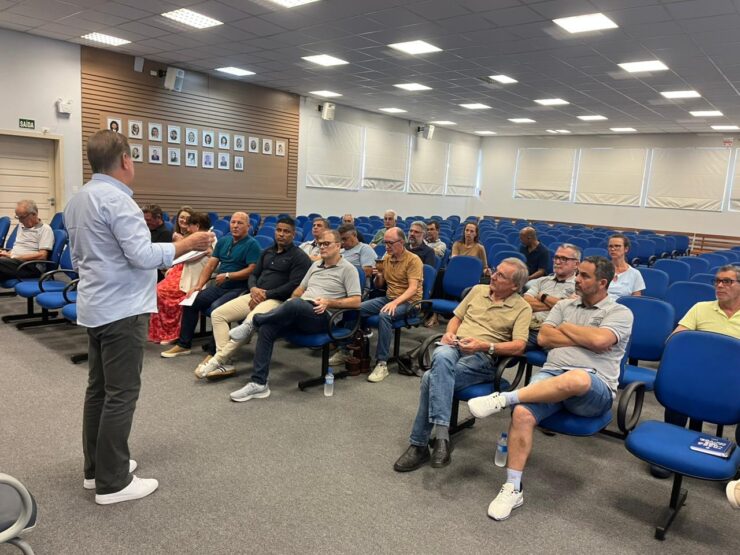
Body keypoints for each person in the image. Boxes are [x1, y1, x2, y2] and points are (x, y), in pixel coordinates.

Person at [64, 130, 213, 505]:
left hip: (96, 305)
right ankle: (113, 482)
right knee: (121, 394)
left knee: (99, 391)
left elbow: (85, 259)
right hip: (123, 309)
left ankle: (96, 469)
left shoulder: (78, 200)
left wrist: (179, 252)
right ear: (126, 161)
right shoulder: (119, 201)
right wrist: (187, 244)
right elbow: (142, 257)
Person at [466, 256, 633, 521]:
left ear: (603, 282)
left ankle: (504, 398)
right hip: (552, 374)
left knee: (578, 378)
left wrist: (565, 328)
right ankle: (513, 487)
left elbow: (601, 341)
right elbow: (544, 338)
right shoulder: (564, 305)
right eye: (578, 273)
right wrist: (584, 337)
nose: (577, 279)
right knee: (522, 413)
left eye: (584, 276)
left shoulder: (620, 312)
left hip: (595, 387)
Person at [393, 258, 531, 472]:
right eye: (495, 271)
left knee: (430, 378)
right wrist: (449, 333)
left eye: (501, 275)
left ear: (515, 286)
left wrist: (484, 346)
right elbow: (456, 319)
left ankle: (420, 444)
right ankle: (441, 438)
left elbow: (519, 346)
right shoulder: (478, 290)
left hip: (483, 357)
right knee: (442, 353)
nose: (493, 276)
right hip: (455, 346)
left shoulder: (522, 308)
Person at [228, 229, 361, 402]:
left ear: (338, 245)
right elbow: (299, 290)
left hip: (322, 317)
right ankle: (259, 384)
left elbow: (356, 301)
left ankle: (253, 322)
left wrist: (329, 302)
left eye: (326, 244)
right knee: (268, 327)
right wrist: (291, 301)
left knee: (295, 304)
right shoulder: (315, 265)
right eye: (320, 244)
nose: (322, 247)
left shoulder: (348, 269)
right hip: (299, 311)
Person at [650, 264, 740, 479]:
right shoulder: (701, 308)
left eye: (727, 281)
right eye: (717, 281)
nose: (719, 285)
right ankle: (670, 448)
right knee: (679, 384)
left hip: (734, 380)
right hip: (698, 373)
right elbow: (674, 340)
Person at [195, 218, 311, 379]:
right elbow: (254, 274)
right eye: (279, 230)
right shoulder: (267, 252)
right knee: (218, 314)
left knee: (249, 323)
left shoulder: (299, 257)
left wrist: (266, 294)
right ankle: (226, 362)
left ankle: (217, 360)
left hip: (276, 300)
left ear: (293, 234)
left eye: (286, 231)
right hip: (254, 295)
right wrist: (254, 289)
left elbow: (293, 285)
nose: (281, 234)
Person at [161, 212, 261, 358]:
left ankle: (214, 352)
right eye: (233, 222)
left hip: (239, 288)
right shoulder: (224, 241)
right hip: (221, 286)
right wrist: (198, 286)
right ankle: (184, 345)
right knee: (190, 302)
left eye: (240, 223)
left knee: (217, 309)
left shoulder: (252, 244)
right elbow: (210, 265)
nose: (235, 226)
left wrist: (228, 275)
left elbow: (252, 270)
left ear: (248, 226)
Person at [357, 227, 423, 383]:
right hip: (390, 298)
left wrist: (394, 302)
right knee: (357, 307)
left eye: (390, 243)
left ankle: (382, 363)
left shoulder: (413, 260)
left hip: (410, 303)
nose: (386, 246)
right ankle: (349, 347)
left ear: (401, 242)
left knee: (385, 315)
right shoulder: (386, 257)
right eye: (385, 242)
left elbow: (413, 289)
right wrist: (379, 275)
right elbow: (379, 286)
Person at [148, 212, 213, 344]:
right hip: (184, 271)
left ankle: (174, 333)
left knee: (164, 292)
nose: (187, 228)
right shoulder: (192, 238)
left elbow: (191, 257)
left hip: (195, 276)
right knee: (157, 290)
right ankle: (162, 332)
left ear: (197, 226)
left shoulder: (208, 240)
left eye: (190, 225)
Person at [523, 244, 580, 349]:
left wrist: (543, 296)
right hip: (527, 325)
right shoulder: (542, 281)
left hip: (552, 332)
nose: (557, 262)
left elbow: (569, 311)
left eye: (564, 259)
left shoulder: (579, 286)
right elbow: (526, 302)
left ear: (576, 264)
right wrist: (560, 303)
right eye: (556, 257)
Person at [0, 200, 54, 281]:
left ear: (34, 214)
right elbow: (20, 247)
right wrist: (7, 253)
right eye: (18, 217)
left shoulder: (45, 229)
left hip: (30, 266)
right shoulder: (21, 226)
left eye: (22, 217)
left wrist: (14, 256)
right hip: (15, 262)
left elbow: (42, 256)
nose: (20, 220)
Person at [606, 233, 644, 299]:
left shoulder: (635, 274)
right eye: (610, 246)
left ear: (626, 249)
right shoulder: (601, 269)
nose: (613, 249)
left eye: (617, 246)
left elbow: (636, 300)